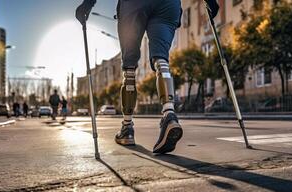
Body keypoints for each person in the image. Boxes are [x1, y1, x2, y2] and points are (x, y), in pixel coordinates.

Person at [76, 0, 219, 154]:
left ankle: (127, 128)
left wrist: (88, 4)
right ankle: (169, 114)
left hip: (133, 5)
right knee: (161, 59)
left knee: (129, 67)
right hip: (168, 4)